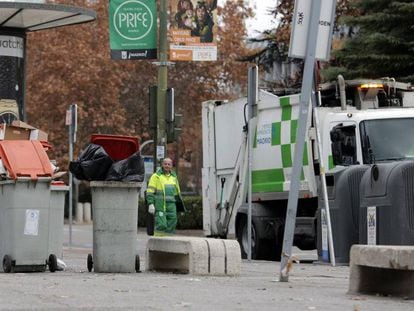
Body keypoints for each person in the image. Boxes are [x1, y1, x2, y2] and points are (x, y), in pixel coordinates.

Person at [146, 158, 185, 236]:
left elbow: (177, 192)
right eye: (165, 164)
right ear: (162, 165)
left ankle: (168, 243)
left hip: (172, 206)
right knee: (161, 224)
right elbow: (150, 191)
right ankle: (157, 242)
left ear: (171, 166)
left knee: (172, 224)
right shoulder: (156, 176)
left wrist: (180, 206)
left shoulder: (174, 177)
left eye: (169, 164)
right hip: (160, 205)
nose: (167, 166)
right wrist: (150, 203)